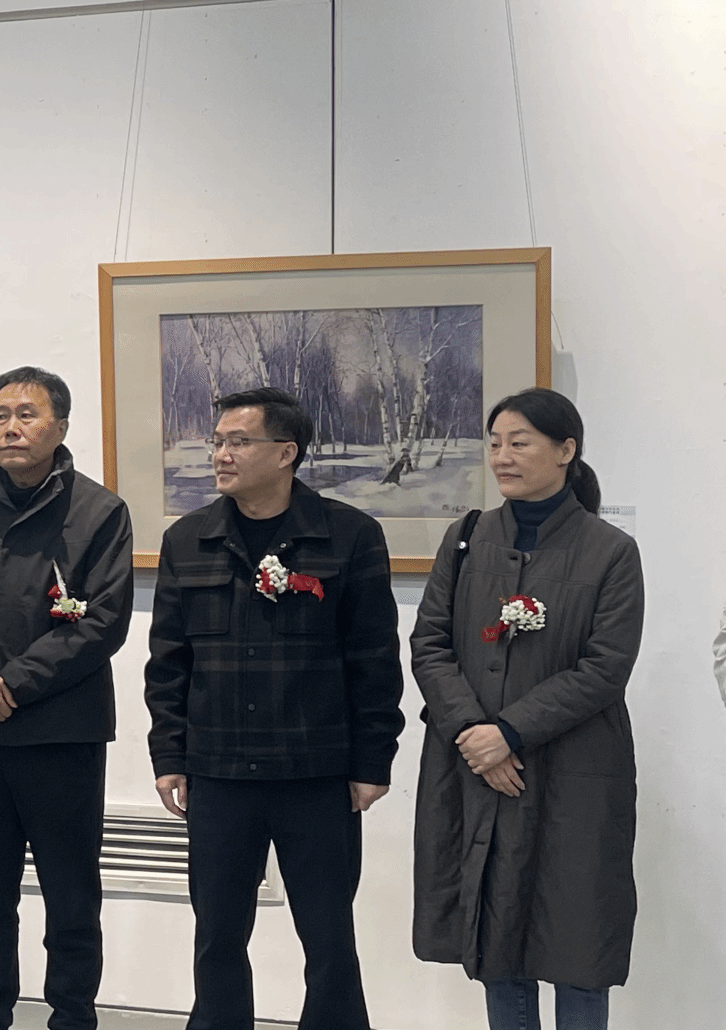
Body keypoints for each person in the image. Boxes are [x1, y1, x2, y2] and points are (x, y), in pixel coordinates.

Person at [143, 386, 402, 1030]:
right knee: (217, 938)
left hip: (317, 773)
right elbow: (168, 662)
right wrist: (169, 755)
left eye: (239, 442)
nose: (220, 455)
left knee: (329, 939)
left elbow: (374, 660)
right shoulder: (188, 539)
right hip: (218, 773)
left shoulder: (350, 535)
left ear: (286, 453)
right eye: (217, 441)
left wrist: (373, 762)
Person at [409, 388, 641, 1030]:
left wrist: (509, 732)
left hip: (574, 772)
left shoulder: (611, 550)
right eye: (494, 443)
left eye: (519, 443)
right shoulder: (466, 538)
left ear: (566, 451)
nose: (502, 457)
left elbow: (605, 666)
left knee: (576, 943)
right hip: (476, 769)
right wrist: (473, 734)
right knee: (497, 936)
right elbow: (429, 644)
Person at [0, 367, 133, 1030]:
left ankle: (72, 1018)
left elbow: (101, 621)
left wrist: (11, 684)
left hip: (62, 735)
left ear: (60, 427)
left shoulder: (100, 512)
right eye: (0, 414)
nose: (11, 427)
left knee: (71, 900)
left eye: (27, 414)